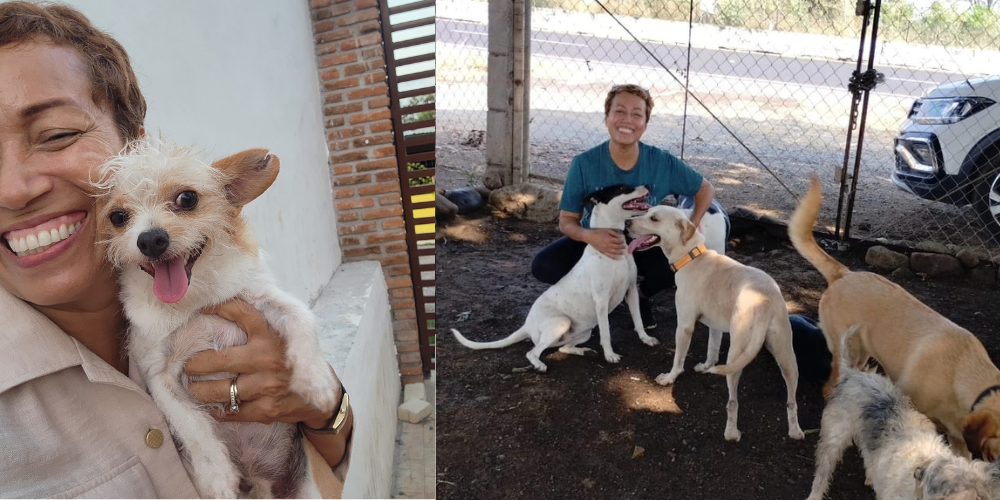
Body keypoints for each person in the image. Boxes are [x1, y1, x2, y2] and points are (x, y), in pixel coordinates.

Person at [0, 3, 352, 497]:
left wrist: (328, 412)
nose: (13, 190)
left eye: (58, 134)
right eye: (121, 216)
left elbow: (326, 473)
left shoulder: (225, 282)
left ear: (133, 148)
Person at [531, 84, 723, 329]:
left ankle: (640, 294)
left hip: (642, 242)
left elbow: (705, 189)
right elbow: (566, 221)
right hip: (598, 242)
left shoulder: (661, 161)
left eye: (637, 114)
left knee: (682, 260)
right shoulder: (584, 164)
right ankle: (598, 296)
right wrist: (589, 236)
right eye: (619, 112)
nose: (627, 120)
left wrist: (692, 225)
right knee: (544, 266)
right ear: (607, 117)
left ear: (645, 122)